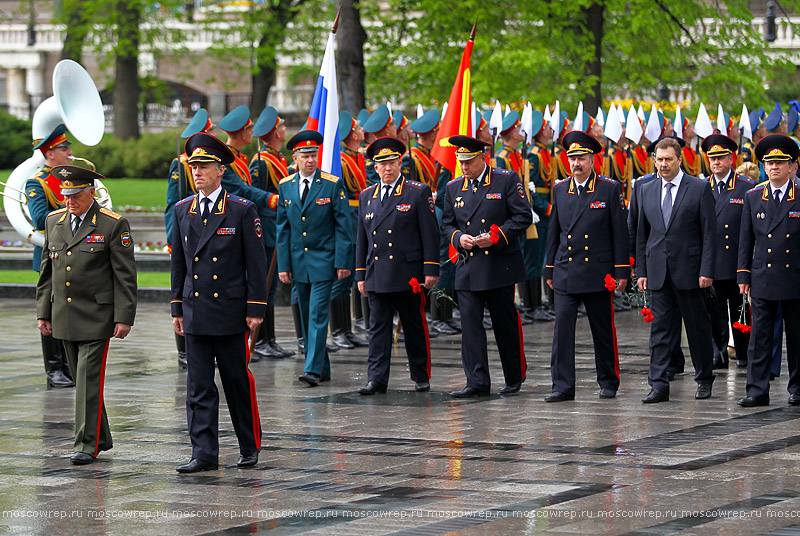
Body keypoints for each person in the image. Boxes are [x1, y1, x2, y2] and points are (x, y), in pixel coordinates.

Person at [170, 133, 267, 473]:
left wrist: (256, 309)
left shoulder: (241, 210)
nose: (197, 172)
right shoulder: (184, 210)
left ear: (220, 170)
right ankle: (203, 453)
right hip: (196, 312)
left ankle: (248, 445)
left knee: (236, 381)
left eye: (204, 166)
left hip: (229, 312)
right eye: (194, 167)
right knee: (198, 387)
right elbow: (179, 264)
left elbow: (256, 264)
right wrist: (176, 308)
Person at [36, 165, 137, 464]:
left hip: (97, 316)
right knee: (84, 382)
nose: (69, 200)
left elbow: (125, 276)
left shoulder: (112, 224)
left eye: (76, 195)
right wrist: (44, 311)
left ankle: (86, 444)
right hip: (64, 314)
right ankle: (101, 437)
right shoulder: (54, 220)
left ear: (91, 192)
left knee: (88, 379)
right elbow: (47, 271)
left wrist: (124, 317)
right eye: (65, 195)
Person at [442, 135, 532, 397]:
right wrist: (459, 238)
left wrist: (495, 237)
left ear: (483, 158)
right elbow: (447, 224)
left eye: (469, 161)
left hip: (498, 265)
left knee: (504, 323)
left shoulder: (506, 180)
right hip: (468, 266)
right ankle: (477, 381)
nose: (464, 167)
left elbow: (522, 216)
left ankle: (513, 376)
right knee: (470, 326)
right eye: (460, 162)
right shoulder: (454, 187)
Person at [544, 131, 629, 401]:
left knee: (602, 330)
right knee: (562, 332)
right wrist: (549, 268)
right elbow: (554, 232)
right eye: (572, 159)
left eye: (581, 158)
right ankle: (562, 385)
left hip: (597, 272)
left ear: (592, 160)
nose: (576, 163)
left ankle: (608, 381)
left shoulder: (609, 188)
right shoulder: (560, 189)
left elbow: (620, 234)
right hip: (566, 271)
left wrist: (621, 271)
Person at [354, 137, 440, 394]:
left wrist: (430, 269)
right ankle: (376, 378)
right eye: (382, 164)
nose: (387, 168)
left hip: (407, 273)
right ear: (375, 167)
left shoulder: (416, 191)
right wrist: (360, 274)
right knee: (377, 328)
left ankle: (420, 375)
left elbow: (430, 234)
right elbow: (362, 239)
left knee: (414, 325)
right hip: (377, 274)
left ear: (400, 163)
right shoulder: (367, 196)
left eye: (392, 162)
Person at [636, 136, 717, 403]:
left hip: (691, 272)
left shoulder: (698, 188)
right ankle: (658, 384)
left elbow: (709, 234)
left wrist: (707, 270)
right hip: (659, 270)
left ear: (679, 160)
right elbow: (641, 234)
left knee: (697, 328)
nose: (663, 164)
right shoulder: (645, 188)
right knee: (660, 331)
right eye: (658, 159)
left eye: (668, 159)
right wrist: (642, 270)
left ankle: (704, 378)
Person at [277, 130, 353, 387]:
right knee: (305, 313)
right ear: (295, 158)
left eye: (314, 155)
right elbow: (283, 229)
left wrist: (343, 261)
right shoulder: (286, 185)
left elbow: (343, 226)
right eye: (305, 156)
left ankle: (311, 368)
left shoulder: (331, 184)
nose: (310, 160)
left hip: (324, 261)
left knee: (318, 314)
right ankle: (323, 367)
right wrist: (284, 265)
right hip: (299, 262)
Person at [737, 134, 800, 407]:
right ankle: (756, 389)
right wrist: (743, 275)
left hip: (794, 276)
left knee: (796, 337)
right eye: (769, 163)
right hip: (763, 275)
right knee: (759, 337)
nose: (773, 168)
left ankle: (797, 387)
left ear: (792, 167)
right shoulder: (753, 196)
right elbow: (745, 240)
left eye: (779, 163)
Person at [165, 108, 215, 369]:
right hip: (186, 233)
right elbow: (172, 203)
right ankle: (183, 350)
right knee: (183, 289)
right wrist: (173, 240)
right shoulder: (180, 165)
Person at [26, 124, 75, 388]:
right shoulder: (38, 182)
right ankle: (54, 369)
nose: (69, 152)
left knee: (69, 312)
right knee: (51, 312)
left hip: (76, 254)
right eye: (64, 148)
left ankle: (68, 365)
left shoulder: (71, 178)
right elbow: (39, 218)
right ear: (50, 153)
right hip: (52, 255)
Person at [701, 134, 754, 370]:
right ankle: (718, 352)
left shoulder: (746, 187)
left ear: (731, 159)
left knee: (740, 310)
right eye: (712, 158)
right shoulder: (700, 187)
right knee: (715, 312)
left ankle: (743, 352)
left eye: (721, 157)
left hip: (736, 260)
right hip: (711, 262)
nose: (716, 162)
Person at [249, 106, 295, 360]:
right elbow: (255, 198)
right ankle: (262, 339)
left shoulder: (277, 159)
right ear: (276, 132)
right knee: (264, 286)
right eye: (282, 126)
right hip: (267, 230)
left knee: (272, 286)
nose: (285, 130)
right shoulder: (261, 163)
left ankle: (271, 338)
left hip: (277, 228)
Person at [329, 111, 369, 350]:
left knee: (352, 277)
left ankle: (348, 329)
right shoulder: (342, 161)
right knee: (341, 278)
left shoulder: (357, 158)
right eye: (359, 128)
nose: (363, 131)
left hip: (359, 218)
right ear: (353, 134)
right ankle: (338, 330)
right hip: (348, 220)